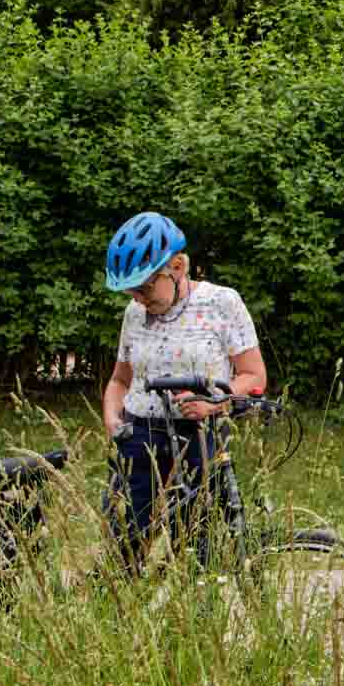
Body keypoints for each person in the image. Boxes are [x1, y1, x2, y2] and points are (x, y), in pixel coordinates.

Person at [98, 211, 267, 565]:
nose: (138, 298)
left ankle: (193, 616)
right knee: (124, 556)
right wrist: (113, 418)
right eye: (131, 291)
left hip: (197, 438)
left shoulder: (222, 303)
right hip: (139, 438)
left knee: (194, 555)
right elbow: (119, 381)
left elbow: (253, 375)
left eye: (144, 287)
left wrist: (214, 402)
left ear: (178, 266)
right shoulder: (134, 313)